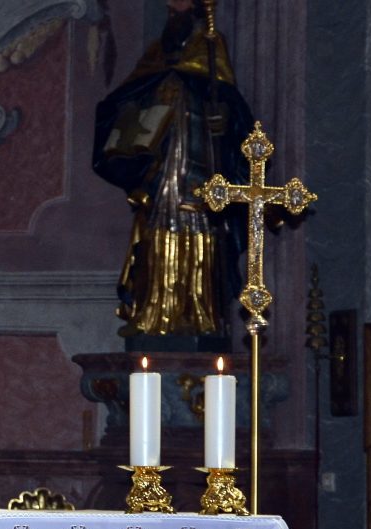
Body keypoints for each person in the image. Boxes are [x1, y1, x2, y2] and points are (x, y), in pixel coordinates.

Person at [92, 0, 253, 340]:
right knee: (156, 231)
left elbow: (229, 105)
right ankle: (153, 313)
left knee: (199, 226)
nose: (171, 5)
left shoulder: (211, 45)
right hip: (161, 167)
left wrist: (221, 120)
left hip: (198, 160)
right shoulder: (155, 53)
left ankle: (201, 315)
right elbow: (129, 98)